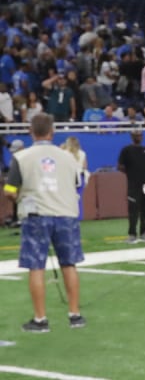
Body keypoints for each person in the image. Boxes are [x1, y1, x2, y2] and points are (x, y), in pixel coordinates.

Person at [3, 113, 85, 331]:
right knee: (69, 265)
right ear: (52, 132)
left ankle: (41, 319)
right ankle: (75, 315)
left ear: (31, 132)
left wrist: (20, 196)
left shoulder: (22, 157)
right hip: (65, 213)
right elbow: (77, 183)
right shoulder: (68, 156)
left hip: (36, 215)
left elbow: (9, 191)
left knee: (36, 267)